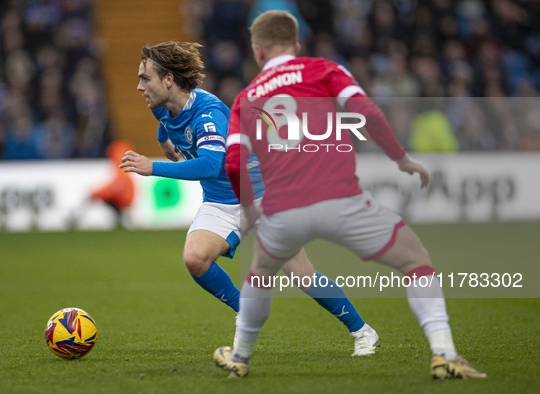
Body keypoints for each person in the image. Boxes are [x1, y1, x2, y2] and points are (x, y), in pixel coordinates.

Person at [214, 10, 487, 380]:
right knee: (416, 260)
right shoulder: (324, 70)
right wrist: (401, 158)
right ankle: (444, 354)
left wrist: (249, 210)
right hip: (341, 198)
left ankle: (241, 359)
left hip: (282, 209)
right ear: (296, 45)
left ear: (257, 51)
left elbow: (233, 164)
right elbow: (367, 112)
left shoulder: (246, 98)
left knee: (260, 275)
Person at [119, 41, 379, 356]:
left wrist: (153, 167)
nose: (139, 86)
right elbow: (167, 130)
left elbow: (212, 164)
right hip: (220, 199)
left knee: (300, 272)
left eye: (145, 78)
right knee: (195, 259)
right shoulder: (161, 107)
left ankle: (363, 331)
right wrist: (167, 148)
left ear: (169, 80)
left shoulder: (208, 112)